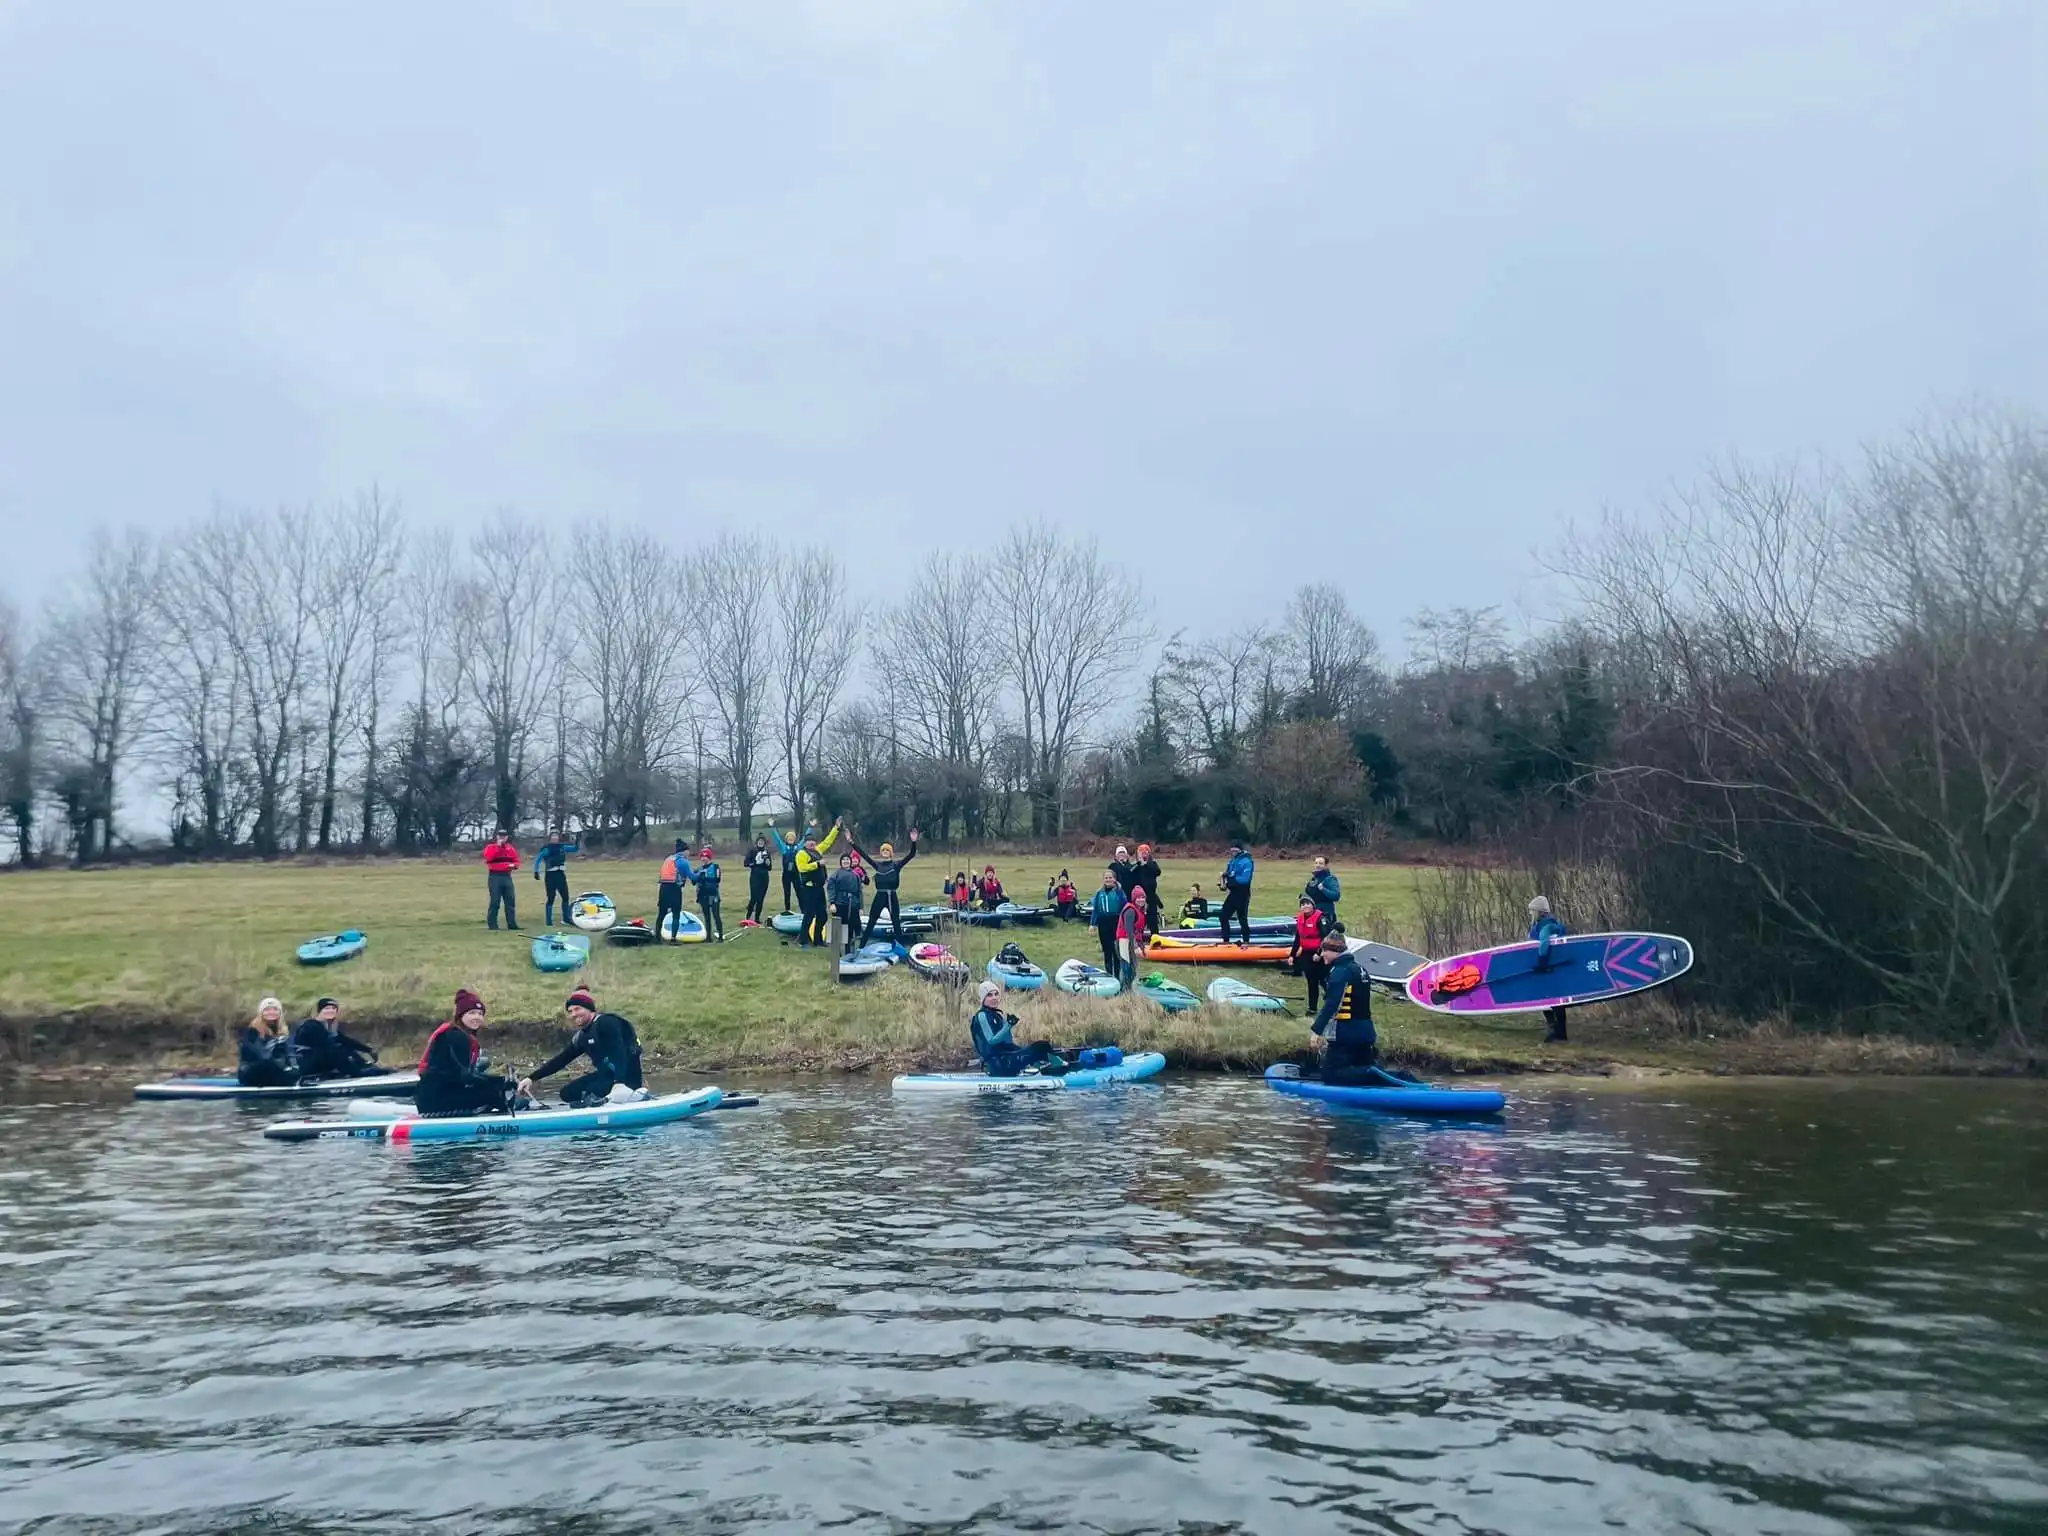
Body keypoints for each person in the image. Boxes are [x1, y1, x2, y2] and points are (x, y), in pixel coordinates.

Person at [518, 989, 644, 1107]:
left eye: (577, 1009)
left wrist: (619, 1083)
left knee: (592, 1091)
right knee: (567, 1093)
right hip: (606, 1076)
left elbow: (619, 1052)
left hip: (627, 1078)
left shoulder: (606, 1022)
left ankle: (633, 1095)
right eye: (570, 1011)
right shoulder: (583, 1036)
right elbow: (562, 1059)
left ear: (590, 1009)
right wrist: (532, 1078)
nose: (573, 1014)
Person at [415, 989, 519, 1116]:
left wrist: (498, 1083)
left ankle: (497, 1108)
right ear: (460, 1016)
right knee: (492, 1092)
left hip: (433, 1097)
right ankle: (507, 1116)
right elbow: (464, 1076)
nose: (477, 1017)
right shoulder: (456, 1037)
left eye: (480, 1014)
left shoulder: (459, 1035)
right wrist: (501, 1083)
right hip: (435, 1100)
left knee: (491, 1089)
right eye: (472, 1013)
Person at [1310, 931, 1381, 1085]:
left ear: (1336, 951)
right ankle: (1374, 1073)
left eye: (1325, 951)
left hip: (1346, 1034)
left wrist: (1317, 1031)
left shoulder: (1340, 972)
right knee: (1362, 1066)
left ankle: (1373, 1074)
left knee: (1331, 1075)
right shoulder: (1359, 969)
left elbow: (1332, 1004)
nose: (1322, 954)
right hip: (1366, 1032)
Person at [970, 981, 1065, 1078]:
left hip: (1005, 1059)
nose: (994, 998)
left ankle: (1049, 1069)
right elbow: (991, 1041)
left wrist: (1028, 1054)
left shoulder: (997, 1016)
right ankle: (1063, 1069)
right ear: (983, 999)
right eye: (989, 995)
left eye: (996, 994)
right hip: (998, 1064)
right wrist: (1008, 1025)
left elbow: (1007, 1044)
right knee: (1041, 1046)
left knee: (1039, 1047)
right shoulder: (982, 1015)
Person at [849, 829, 920, 943]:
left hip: (891, 896)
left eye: (888, 850)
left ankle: (900, 946)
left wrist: (914, 841)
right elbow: (864, 855)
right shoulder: (878, 865)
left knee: (895, 922)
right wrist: (851, 842)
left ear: (891, 853)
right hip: (880, 896)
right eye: (883, 850)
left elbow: (911, 855)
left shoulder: (896, 865)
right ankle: (862, 945)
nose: (885, 851)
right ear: (881, 853)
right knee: (872, 921)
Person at [291, 997, 378, 1080]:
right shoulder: (310, 1026)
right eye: (327, 1008)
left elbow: (346, 1041)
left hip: (322, 1061)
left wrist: (369, 1050)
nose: (331, 1011)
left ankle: (364, 1066)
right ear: (319, 1011)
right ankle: (357, 1071)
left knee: (343, 1046)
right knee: (337, 1048)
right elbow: (328, 1047)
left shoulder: (329, 1028)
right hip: (307, 1065)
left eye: (333, 1008)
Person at [793, 819, 844, 946]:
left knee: (823, 916)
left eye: (813, 842)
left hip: (819, 888)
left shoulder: (817, 850)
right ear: (805, 843)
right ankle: (802, 939)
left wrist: (836, 828)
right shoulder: (801, 854)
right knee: (809, 915)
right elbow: (802, 868)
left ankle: (818, 940)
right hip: (808, 888)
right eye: (809, 842)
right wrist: (817, 864)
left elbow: (828, 842)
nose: (812, 843)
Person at [1528, 895, 1571, 1042]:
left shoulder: (1546, 927)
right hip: (1553, 970)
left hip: (1550, 969)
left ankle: (1557, 1032)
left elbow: (1544, 944)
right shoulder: (1548, 925)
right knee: (1553, 1001)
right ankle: (1558, 1031)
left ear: (1539, 912)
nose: (1531, 914)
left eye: (1532, 911)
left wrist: (1541, 963)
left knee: (1550, 1001)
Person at [237, 996, 298, 1087]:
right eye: (267, 1010)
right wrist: (282, 1066)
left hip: (274, 1069)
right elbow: (262, 1055)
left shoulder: (283, 1031)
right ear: (261, 1013)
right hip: (252, 1071)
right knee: (268, 1064)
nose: (271, 1012)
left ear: (279, 1013)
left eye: (275, 1009)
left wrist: (294, 1066)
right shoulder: (252, 1031)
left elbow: (289, 1052)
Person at [1288, 895, 1330, 1011]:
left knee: (1323, 978)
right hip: (1306, 953)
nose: (1305, 906)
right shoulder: (1300, 919)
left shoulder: (1320, 919)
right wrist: (1292, 955)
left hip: (1320, 953)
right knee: (1311, 981)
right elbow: (1298, 938)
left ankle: (1332, 998)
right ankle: (1312, 1008)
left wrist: (1319, 953)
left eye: (1308, 904)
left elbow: (1325, 937)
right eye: (1302, 904)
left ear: (1313, 905)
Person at [531, 831, 580, 928]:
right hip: (550, 876)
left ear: (558, 838)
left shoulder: (562, 847)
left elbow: (575, 849)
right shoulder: (547, 849)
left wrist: (577, 840)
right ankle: (548, 921)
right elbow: (538, 859)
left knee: (565, 897)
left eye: (556, 836)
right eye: (553, 836)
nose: (555, 838)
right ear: (550, 838)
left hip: (560, 874)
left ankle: (566, 918)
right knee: (551, 898)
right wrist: (536, 871)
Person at [769, 824, 815, 914]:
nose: (790, 839)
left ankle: (803, 910)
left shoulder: (798, 847)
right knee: (787, 893)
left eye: (792, 837)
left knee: (800, 893)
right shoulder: (783, 848)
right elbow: (777, 839)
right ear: (786, 839)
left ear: (794, 839)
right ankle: (787, 910)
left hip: (796, 874)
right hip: (786, 874)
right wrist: (772, 827)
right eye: (789, 837)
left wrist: (811, 827)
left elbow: (805, 838)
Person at [1089, 870, 1127, 975]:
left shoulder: (1119, 892)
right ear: (1103, 880)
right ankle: (1109, 974)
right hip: (1103, 923)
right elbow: (1096, 909)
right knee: (1107, 950)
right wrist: (1093, 924)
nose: (1108, 879)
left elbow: (1125, 908)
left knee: (1116, 951)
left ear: (1114, 879)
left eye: (1110, 877)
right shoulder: (1099, 893)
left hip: (1116, 922)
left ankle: (1117, 974)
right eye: (1106, 878)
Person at [1217, 840, 1255, 947]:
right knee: (1223, 916)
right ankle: (1226, 941)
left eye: (1235, 850)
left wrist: (1229, 877)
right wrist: (1223, 884)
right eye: (1231, 850)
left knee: (1242, 918)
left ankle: (1246, 941)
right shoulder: (1232, 861)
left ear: (1239, 850)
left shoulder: (1247, 861)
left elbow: (1244, 880)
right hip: (1233, 893)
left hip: (1243, 894)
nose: (1232, 852)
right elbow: (1229, 877)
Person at [482, 829, 520, 930]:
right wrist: (498, 847)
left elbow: (516, 861)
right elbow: (489, 858)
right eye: (500, 836)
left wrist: (514, 866)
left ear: (507, 837)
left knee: (510, 901)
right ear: (497, 837)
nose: (502, 838)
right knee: (495, 901)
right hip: (495, 876)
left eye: (504, 836)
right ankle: (492, 925)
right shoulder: (490, 847)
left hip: (507, 876)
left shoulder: (510, 848)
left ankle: (512, 924)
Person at [657, 839, 693, 944]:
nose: (689, 853)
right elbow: (692, 876)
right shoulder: (682, 861)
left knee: (661, 914)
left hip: (663, 888)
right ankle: (673, 939)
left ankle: (657, 937)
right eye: (688, 851)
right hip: (674, 889)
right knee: (676, 915)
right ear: (684, 851)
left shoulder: (668, 859)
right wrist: (701, 874)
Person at [827, 853, 864, 952]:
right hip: (839, 904)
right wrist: (832, 903)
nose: (846, 861)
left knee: (850, 928)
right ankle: (836, 951)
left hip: (852, 904)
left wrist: (860, 907)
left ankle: (849, 950)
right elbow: (831, 889)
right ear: (841, 862)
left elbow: (859, 892)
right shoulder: (836, 874)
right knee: (838, 927)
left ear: (850, 862)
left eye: (848, 860)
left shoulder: (855, 875)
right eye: (844, 860)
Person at [1115, 886, 1151, 987]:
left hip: (1131, 940)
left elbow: (1139, 932)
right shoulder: (1130, 911)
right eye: (1138, 897)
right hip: (1124, 941)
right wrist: (1135, 946)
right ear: (1134, 898)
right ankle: (1123, 992)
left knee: (1133, 970)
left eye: (1143, 897)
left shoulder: (1141, 911)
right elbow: (1129, 929)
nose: (1141, 900)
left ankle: (1128, 991)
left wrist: (1142, 946)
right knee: (1127, 969)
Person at [692, 845, 725, 941]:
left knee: (716, 915)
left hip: (713, 894)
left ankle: (720, 935)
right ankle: (708, 937)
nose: (703, 859)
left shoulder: (715, 867)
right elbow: (694, 882)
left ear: (709, 857)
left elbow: (717, 879)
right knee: (706, 916)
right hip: (702, 895)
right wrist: (696, 876)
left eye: (705, 857)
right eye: (702, 857)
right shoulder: (698, 869)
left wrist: (705, 877)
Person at [1130, 844, 1163, 935]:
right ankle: (1139, 936)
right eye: (1141, 852)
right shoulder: (1136, 865)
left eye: (1146, 852)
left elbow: (1157, 872)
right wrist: (1139, 863)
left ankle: (1155, 936)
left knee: (1152, 918)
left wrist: (1145, 864)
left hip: (1151, 895)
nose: (1143, 854)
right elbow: (1130, 872)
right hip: (1139, 896)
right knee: (1139, 917)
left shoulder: (1152, 864)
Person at [742, 834, 775, 924]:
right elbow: (746, 863)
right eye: (759, 841)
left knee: (761, 898)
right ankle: (748, 917)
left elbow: (770, 868)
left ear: (764, 843)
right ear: (756, 842)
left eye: (762, 842)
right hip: (755, 876)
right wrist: (755, 863)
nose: (761, 843)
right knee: (754, 897)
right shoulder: (752, 851)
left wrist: (768, 863)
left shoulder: (767, 852)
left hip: (764, 877)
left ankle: (757, 918)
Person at [1305, 856, 1341, 928]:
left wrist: (1323, 889)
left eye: (1321, 863)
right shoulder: (1313, 879)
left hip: (1325, 913)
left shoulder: (1329, 879)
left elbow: (1336, 895)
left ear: (1326, 865)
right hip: (1313, 912)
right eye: (1316, 863)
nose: (1318, 865)